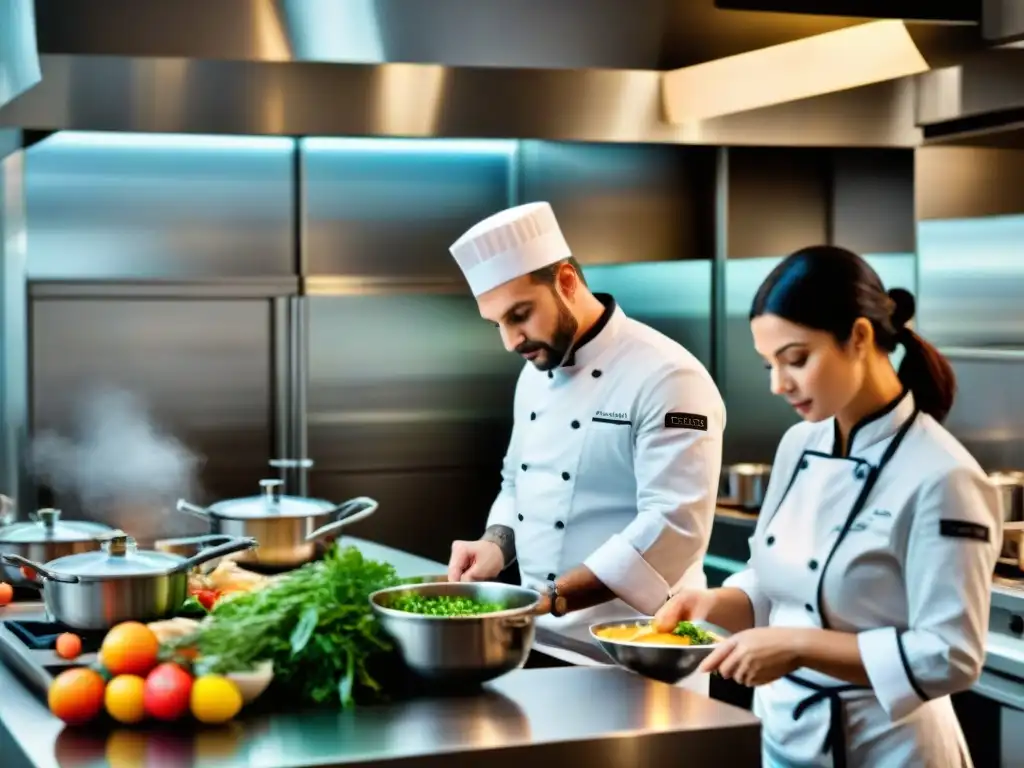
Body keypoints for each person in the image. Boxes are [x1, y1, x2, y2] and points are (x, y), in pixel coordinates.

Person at [654, 245, 1000, 767]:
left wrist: (797, 646)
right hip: (782, 735)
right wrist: (709, 606)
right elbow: (777, 586)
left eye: (796, 359)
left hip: (889, 747)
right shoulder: (798, 444)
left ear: (859, 337)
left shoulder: (943, 474)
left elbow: (950, 655)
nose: (777, 384)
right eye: (769, 364)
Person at [445, 201, 725, 683]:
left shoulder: (667, 376)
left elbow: (674, 524)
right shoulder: (534, 371)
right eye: (498, 325)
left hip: (640, 651)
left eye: (520, 315)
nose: (511, 341)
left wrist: (555, 597)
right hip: (543, 642)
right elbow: (518, 481)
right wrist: (495, 546)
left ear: (568, 282)